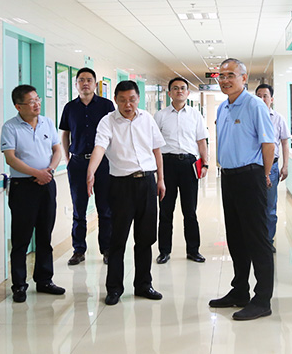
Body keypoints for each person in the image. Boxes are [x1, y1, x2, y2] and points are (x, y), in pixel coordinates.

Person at [86, 80, 166, 306]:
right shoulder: (107, 122)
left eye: (131, 99)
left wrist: (160, 179)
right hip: (121, 186)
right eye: (122, 100)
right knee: (118, 239)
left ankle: (143, 285)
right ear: (115, 100)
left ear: (138, 98)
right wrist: (91, 172)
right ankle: (114, 288)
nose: (127, 104)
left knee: (145, 238)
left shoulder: (147, 119)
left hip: (147, 182)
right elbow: (100, 147)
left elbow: (156, 150)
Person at [209, 58, 276, 321]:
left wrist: (265, 174)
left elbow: (268, 144)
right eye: (222, 76)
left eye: (230, 75)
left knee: (257, 239)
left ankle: (262, 299)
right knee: (235, 238)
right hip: (229, 178)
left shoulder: (255, 105)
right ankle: (239, 291)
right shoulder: (222, 107)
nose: (225, 80)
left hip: (250, 177)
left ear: (244, 78)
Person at [1, 85, 65, 303]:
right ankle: (19, 285)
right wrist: (36, 173)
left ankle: (45, 280)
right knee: (21, 238)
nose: (37, 104)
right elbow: (10, 158)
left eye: (37, 99)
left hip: (47, 184)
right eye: (31, 101)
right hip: (23, 187)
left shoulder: (47, 122)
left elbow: (57, 150)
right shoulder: (10, 127)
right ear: (18, 106)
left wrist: (49, 171)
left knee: (45, 235)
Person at [60, 67, 115, 266]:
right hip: (78, 163)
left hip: (103, 163)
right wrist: (67, 159)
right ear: (76, 84)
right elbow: (65, 134)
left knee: (105, 209)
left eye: (89, 80)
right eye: (81, 80)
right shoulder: (69, 108)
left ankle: (106, 249)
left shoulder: (107, 106)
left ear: (95, 83)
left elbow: (114, 133)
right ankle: (78, 250)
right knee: (79, 209)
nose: (85, 83)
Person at [154, 77, 209, 264]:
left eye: (183, 88)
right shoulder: (160, 116)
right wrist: (157, 171)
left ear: (187, 93)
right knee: (165, 211)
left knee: (190, 211)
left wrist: (205, 164)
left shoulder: (195, 115)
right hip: (167, 164)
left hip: (188, 165)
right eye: (175, 88)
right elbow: (154, 145)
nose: (179, 91)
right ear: (169, 93)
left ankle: (193, 250)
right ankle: (164, 251)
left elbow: (201, 141)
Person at [255, 83, 291, 252]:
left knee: (270, 206)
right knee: (255, 206)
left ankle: (268, 241)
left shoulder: (278, 118)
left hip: (273, 167)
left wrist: (285, 166)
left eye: (265, 96)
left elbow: (285, 142)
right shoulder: (251, 117)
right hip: (254, 167)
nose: (262, 99)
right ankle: (256, 240)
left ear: (272, 99)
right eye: (259, 96)